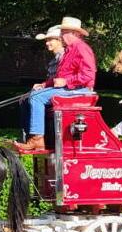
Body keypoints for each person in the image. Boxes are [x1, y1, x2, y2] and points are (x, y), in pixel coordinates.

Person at [16, 17, 96, 151]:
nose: (62, 35)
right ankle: (29, 136)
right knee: (28, 97)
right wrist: (44, 84)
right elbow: (60, 77)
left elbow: (89, 75)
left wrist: (66, 81)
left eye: (64, 32)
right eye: (62, 32)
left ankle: (37, 139)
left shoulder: (82, 48)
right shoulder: (69, 50)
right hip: (70, 88)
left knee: (36, 98)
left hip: (81, 90)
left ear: (76, 34)